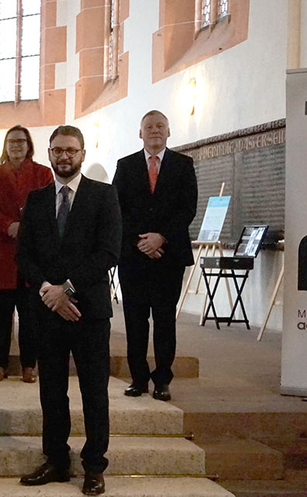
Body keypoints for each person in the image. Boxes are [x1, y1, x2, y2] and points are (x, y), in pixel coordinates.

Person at [18, 126, 121, 496]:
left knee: (94, 391)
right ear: (48, 153)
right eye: (58, 150)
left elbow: (109, 251)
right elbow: (24, 255)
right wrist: (49, 291)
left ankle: (94, 465)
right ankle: (56, 461)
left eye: (71, 151)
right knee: (52, 391)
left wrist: (67, 290)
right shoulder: (37, 199)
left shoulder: (103, 195)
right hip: (47, 311)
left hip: (88, 312)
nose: (65, 157)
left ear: (82, 153)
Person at [113, 110, 197, 402]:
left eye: (160, 126)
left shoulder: (184, 165)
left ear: (169, 131)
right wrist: (140, 240)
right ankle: (138, 378)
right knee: (135, 321)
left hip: (168, 256)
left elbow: (187, 209)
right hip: (133, 257)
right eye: (148, 127)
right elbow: (117, 209)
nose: (154, 131)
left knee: (164, 319)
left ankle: (162, 379)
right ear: (140, 133)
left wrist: (161, 236)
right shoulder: (125, 166)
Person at [0, 125, 53, 383]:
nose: (16, 146)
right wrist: (7, 225)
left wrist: (27, 227)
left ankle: (28, 365)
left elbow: (51, 206)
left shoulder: (43, 173)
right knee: (0, 313)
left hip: (33, 252)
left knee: (30, 312)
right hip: (1, 250)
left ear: (28, 145)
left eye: (21, 141)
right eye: (11, 142)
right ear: (5, 146)